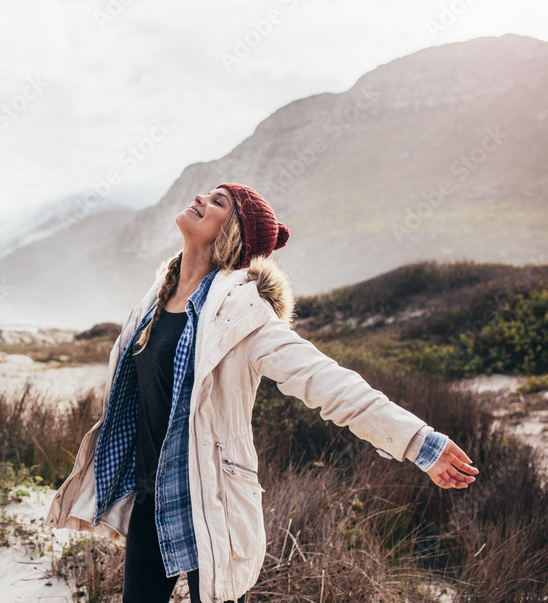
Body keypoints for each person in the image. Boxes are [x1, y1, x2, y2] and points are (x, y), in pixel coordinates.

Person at [43, 183, 479, 603]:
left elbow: (326, 381)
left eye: (217, 202)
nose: (200, 199)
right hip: (151, 498)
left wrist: (419, 442)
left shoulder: (246, 316)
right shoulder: (152, 302)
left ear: (232, 233)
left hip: (214, 504)